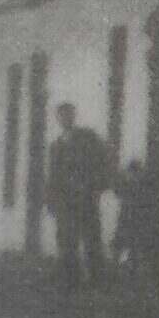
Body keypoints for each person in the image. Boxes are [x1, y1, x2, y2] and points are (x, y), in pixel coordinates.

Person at [47, 102, 111, 290]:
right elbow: (53, 175)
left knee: (92, 238)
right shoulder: (56, 146)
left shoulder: (87, 138)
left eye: (68, 115)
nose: (65, 119)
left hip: (86, 197)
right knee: (67, 240)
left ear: (74, 116)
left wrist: (98, 187)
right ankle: (70, 280)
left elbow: (103, 160)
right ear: (58, 119)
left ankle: (97, 279)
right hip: (65, 201)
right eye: (61, 116)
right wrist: (51, 200)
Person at [110, 158, 159, 283]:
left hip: (133, 218)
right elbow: (117, 191)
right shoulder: (134, 184)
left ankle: (126, 270)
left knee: (131, 245)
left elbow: (118, 192)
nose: (134, 176)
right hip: (130, 218)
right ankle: (121, 270)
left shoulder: (138, 185)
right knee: (127, 244)